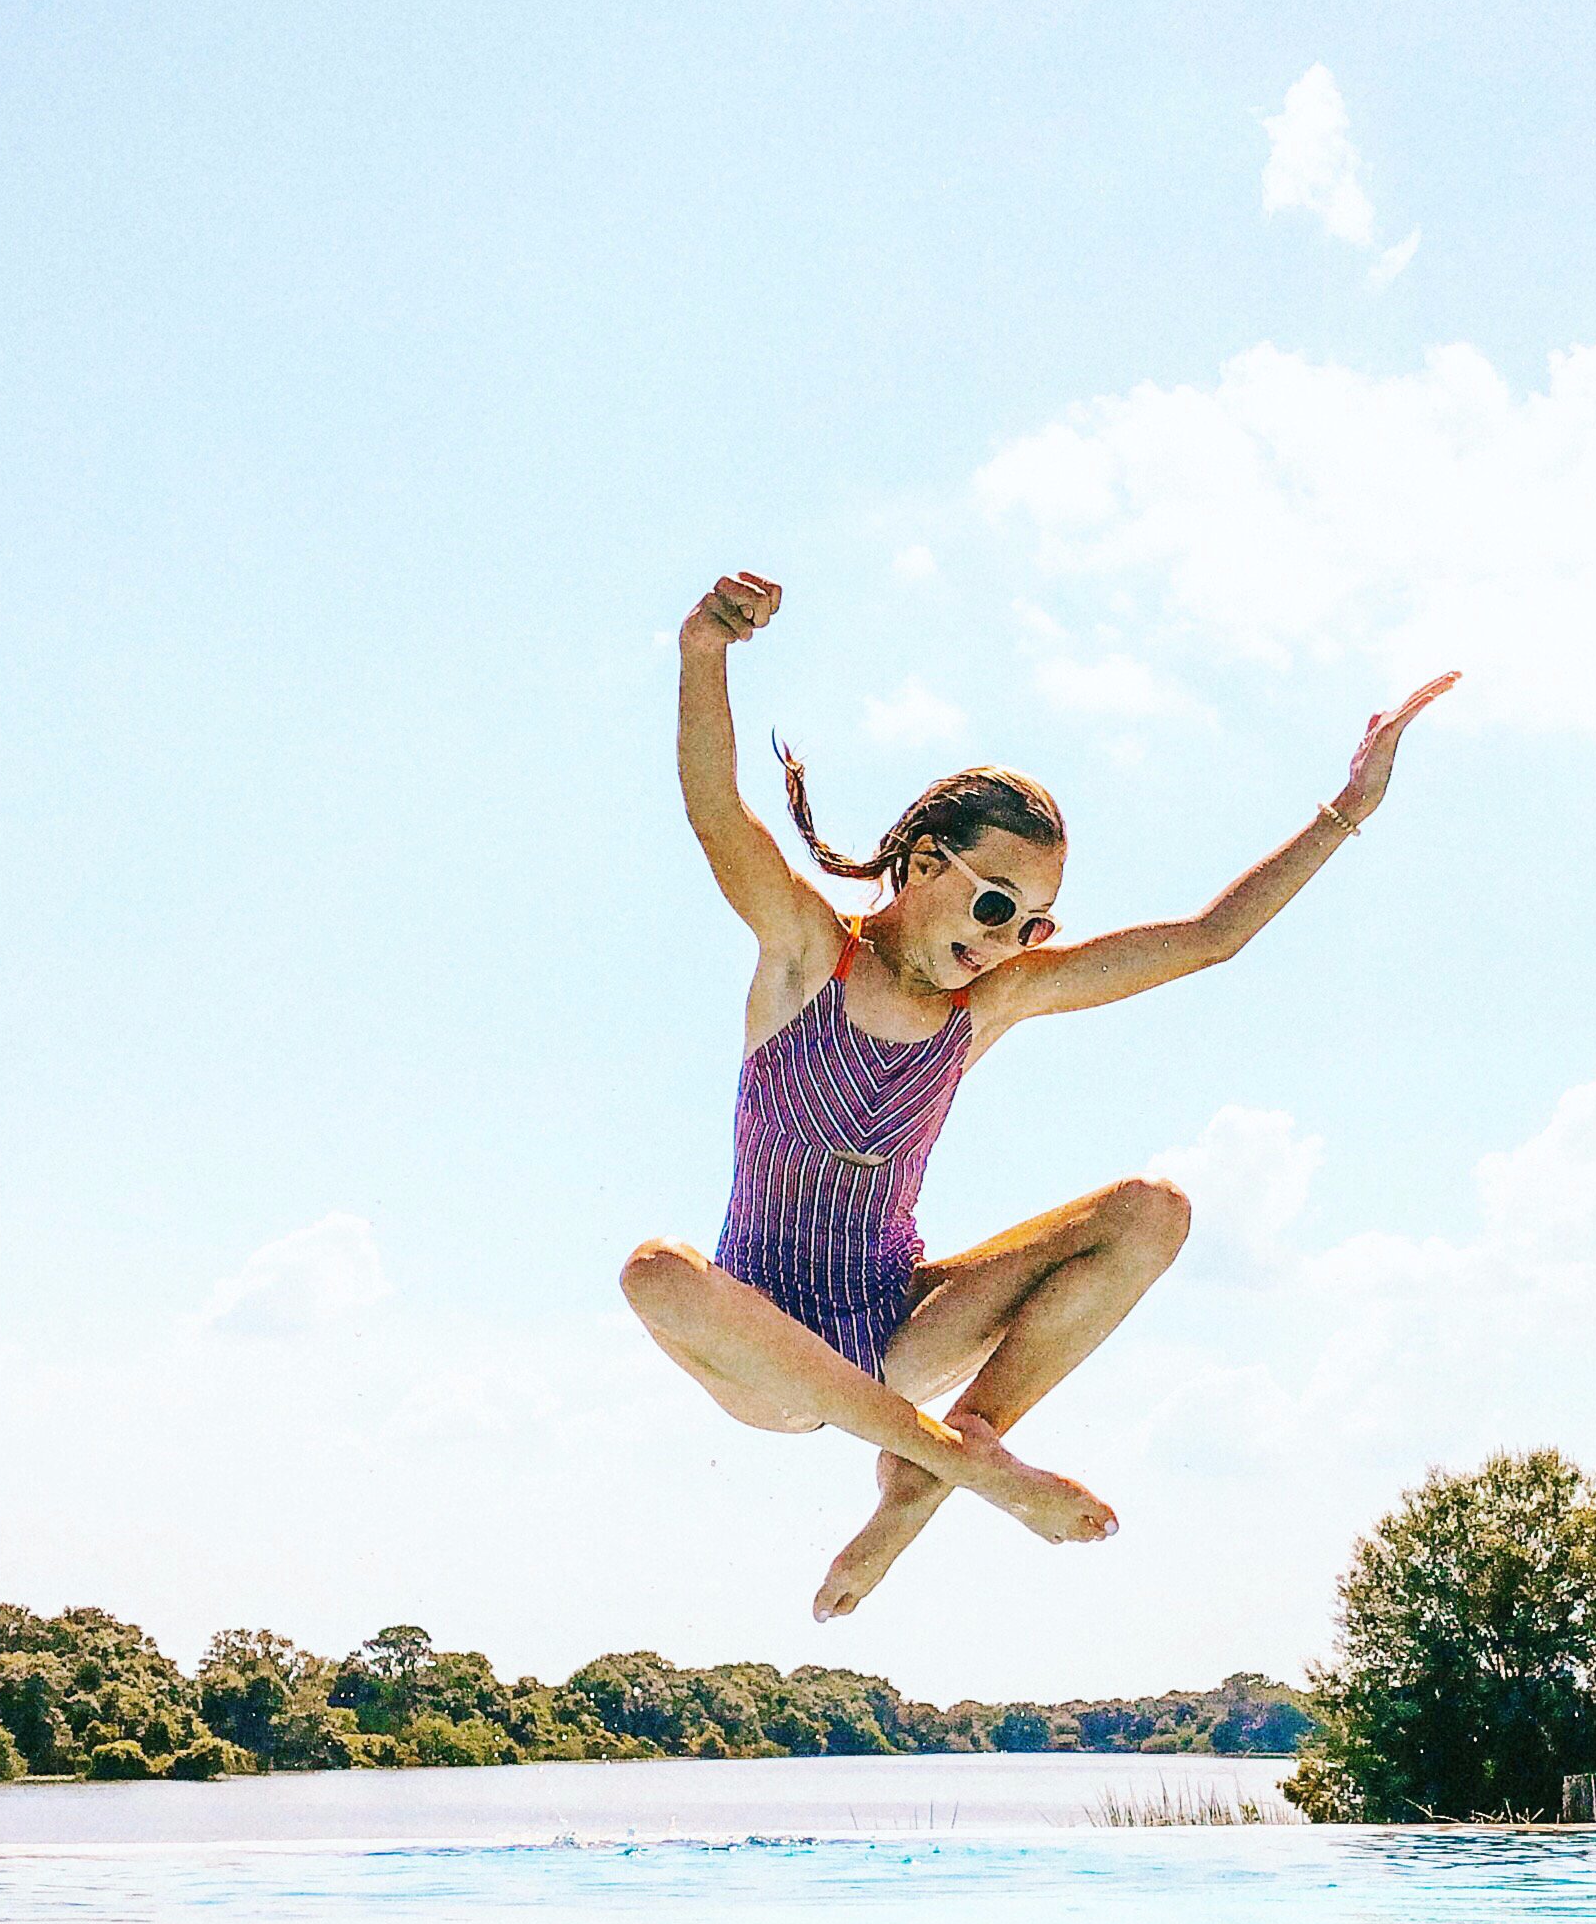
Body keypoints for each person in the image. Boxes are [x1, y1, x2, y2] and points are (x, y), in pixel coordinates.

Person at [621, 568, 1456, 1620]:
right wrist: (704, 651)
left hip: (895, 1330)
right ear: (926, 864)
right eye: (996, 905)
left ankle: (938, 1464)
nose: (1008, 942)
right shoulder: (807, 955)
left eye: (1034, 926)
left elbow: (1209, 939)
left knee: (1152, 1211)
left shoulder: (991, 1003)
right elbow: (716, 810)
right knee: (655, 1273)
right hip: (769, 1360)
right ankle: (961, 1468)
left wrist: (1346, 811)